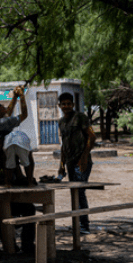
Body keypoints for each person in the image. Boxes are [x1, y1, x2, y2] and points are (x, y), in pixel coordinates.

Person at [0, 86, 35, 252]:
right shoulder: (2, 124)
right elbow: (22, 114)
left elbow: (7, 112)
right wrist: (21, 97)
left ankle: (23, 244)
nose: (3, 107)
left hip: (6, 184)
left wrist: (15, 96)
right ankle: (10, 245)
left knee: (28, 208)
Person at [57, 92, 95, 234]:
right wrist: (61, 166)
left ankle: (84, 225)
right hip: (70, 163)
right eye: (63, 104)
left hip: (82, 162)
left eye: (68, 103)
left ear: (73, 104)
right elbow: (64, 145)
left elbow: (92, 137)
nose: (66, 106)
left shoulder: (80, 118)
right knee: (74, 193)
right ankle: (77, 224)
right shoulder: (61, 122)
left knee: (79, 192)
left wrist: (84, 157)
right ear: (59, 106)